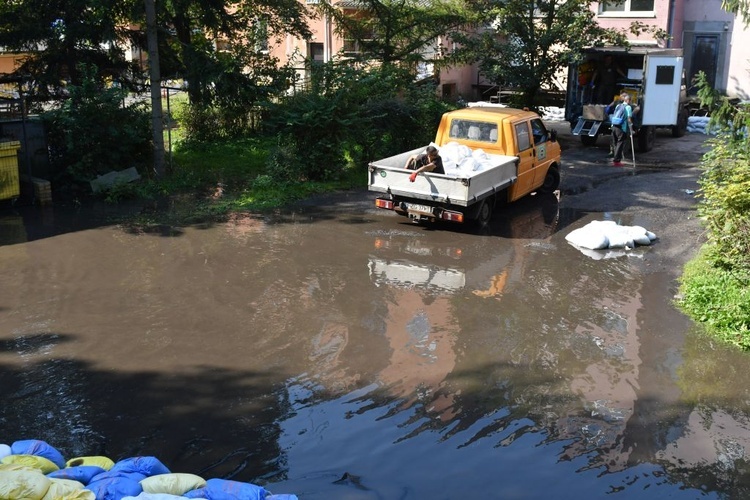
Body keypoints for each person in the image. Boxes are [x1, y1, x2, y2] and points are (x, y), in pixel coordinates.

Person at [610, 92, 633, 167]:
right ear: (628, 100)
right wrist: (631, 128)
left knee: (616, 144)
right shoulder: (628, 107)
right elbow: (629, 119)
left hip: (614, 126)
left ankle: (615, 159)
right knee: (620, 144)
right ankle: (616, 161)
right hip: (621, 128)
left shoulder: (618, 105)